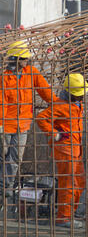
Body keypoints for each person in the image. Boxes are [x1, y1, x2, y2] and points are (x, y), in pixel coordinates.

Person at [0, 40, 57, 199]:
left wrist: (58, 105)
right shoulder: (4, 77)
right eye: (24, 58)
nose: (26, 61)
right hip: (6, 125)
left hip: (23, 124)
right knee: (3, 156)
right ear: (16, 58)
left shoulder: (31, 72)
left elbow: (45, 91)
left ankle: (6, 187)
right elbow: (1, 103)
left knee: (15, 157)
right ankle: (3, 187)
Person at [36, 73, 88, 228]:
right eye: (79, 95)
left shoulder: (76, 104)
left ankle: (69, 213)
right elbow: (41, 118)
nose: (81, 97)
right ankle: (64, 218)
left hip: (75, 150)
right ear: (70, 93)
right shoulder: (61, 105)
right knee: (69, 183)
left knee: (80, 182)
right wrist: (55, 134)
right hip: (65, 151)